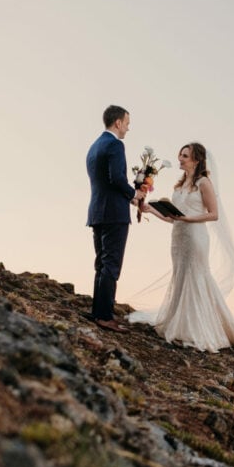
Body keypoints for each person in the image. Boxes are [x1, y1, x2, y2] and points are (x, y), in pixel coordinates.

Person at [135, 142, 234, 351]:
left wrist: (189, 219)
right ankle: (179, 324)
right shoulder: (180, 185)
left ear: (196, 160)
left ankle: (197, 329)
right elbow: (174, 218)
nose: (180, 159)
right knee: (180, 276)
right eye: (180, 155)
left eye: (185, 156)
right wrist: (152, 210)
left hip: (195, 237)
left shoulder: (204, 183)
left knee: (196, 277)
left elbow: (213, 214)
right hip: (178, 237)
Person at [86, 105, 144, 332]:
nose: (128, 128)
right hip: (114, 214)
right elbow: (117, 178)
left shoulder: (94, 146)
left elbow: (106, 181)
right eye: (127, 123)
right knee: (111, 264)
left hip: (97, 211)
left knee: (101, 263)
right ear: (118, 123)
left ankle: (98, 311)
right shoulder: (115, 144)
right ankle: (104, 316)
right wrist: (134, 194)